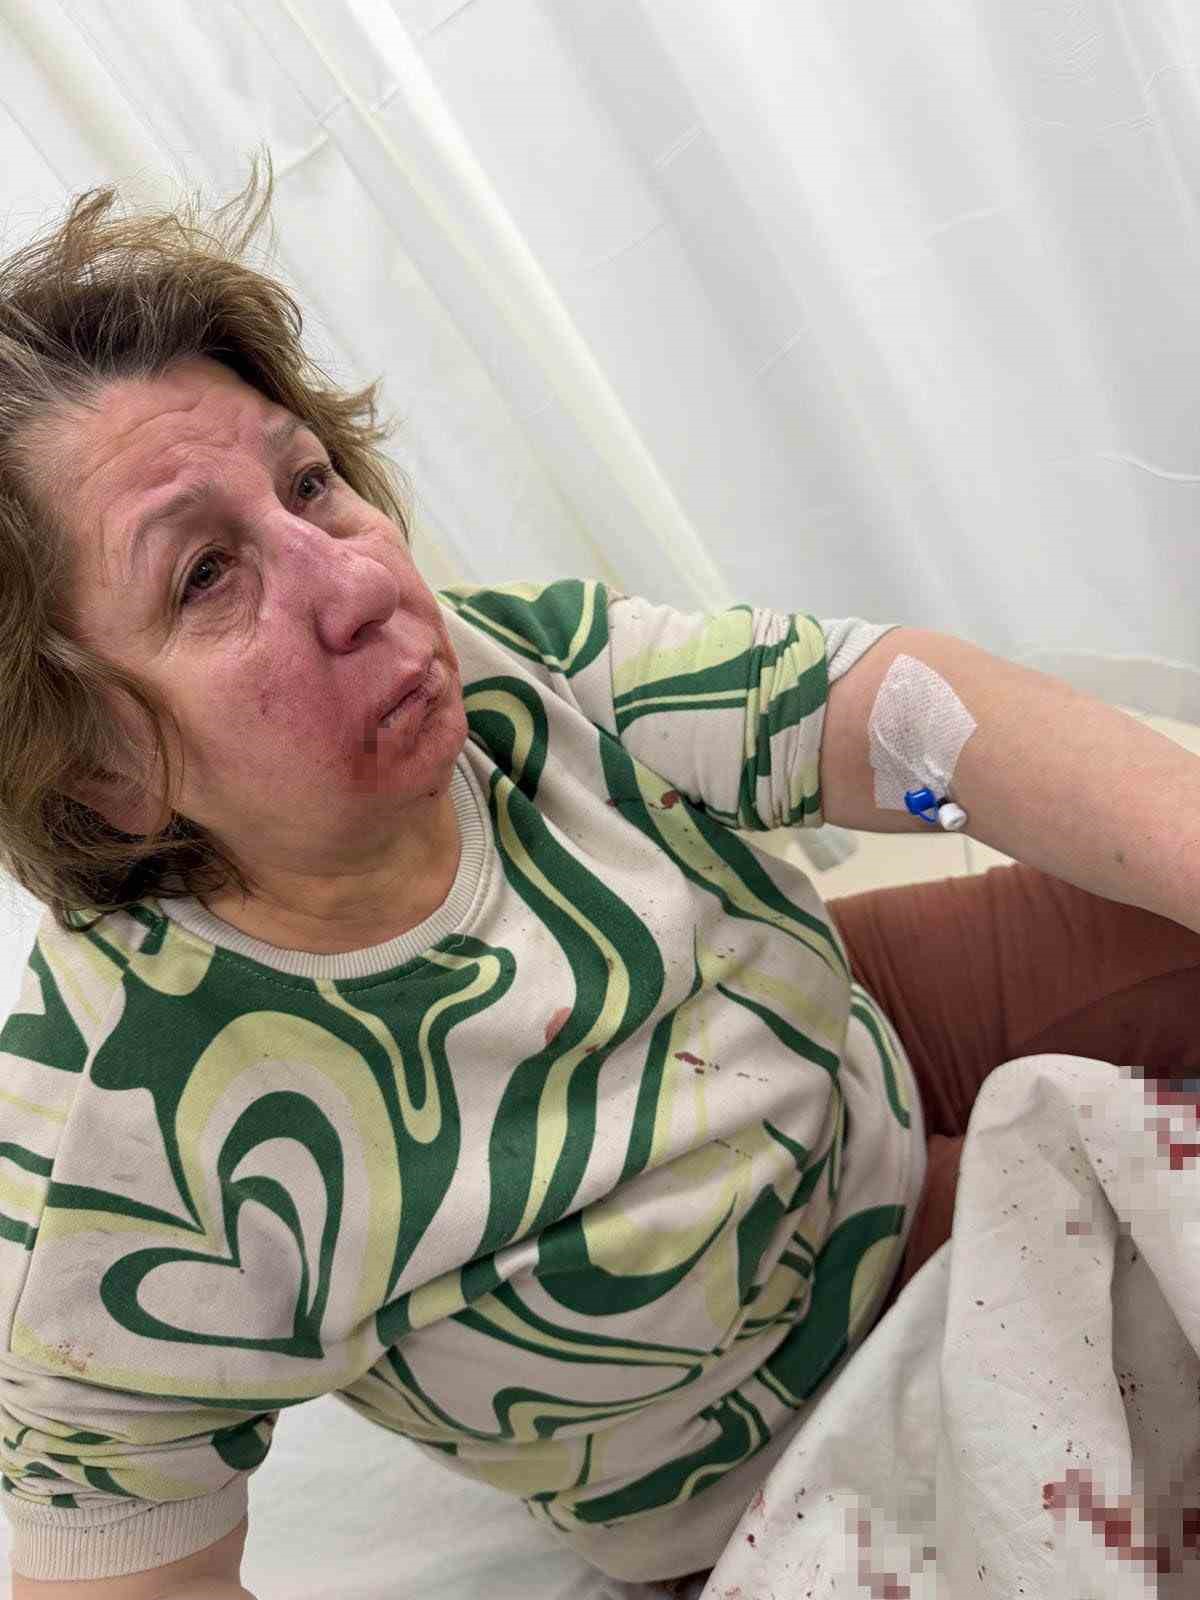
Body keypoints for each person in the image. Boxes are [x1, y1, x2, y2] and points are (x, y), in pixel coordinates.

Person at [1, 156, 1199, 1600]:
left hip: (859, 1048)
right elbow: (122, 1570)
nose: (361, 580)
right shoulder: (117, 1156)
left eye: (310, 482)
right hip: (768, 1431)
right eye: (207, 575)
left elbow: (888, 715)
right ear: (92, 767)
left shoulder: (509, 672)